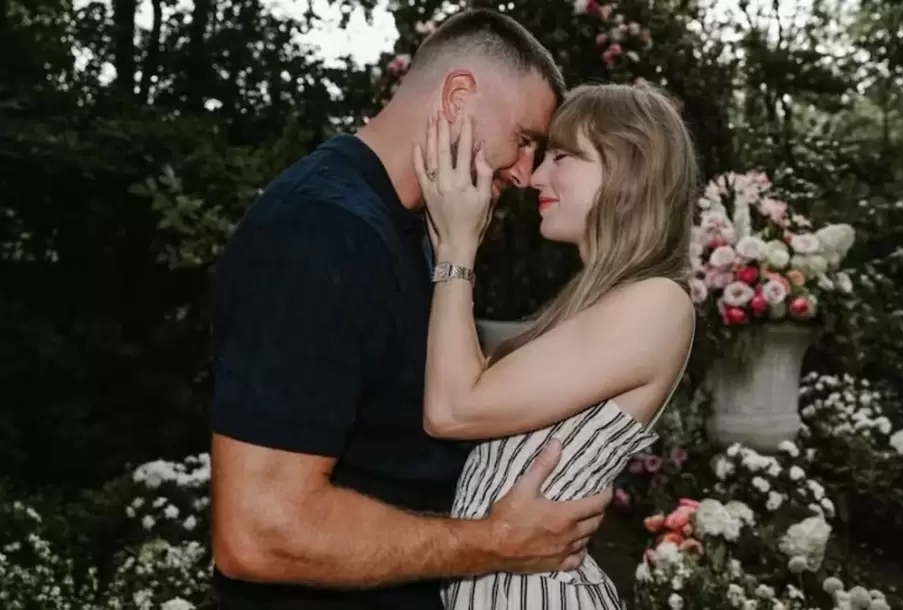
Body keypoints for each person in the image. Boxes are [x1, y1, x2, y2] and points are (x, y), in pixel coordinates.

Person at [207, 9, 612, 610]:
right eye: (525, 140)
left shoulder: (414, 232)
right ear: (457, 96)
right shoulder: (323, 229)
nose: (527, 174)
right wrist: (496, 543)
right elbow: (259, 532)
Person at [412, 82, 698, 609]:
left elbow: (451, 410)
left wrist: (456, 250)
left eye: (562, 157)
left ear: (628, 167)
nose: (537, 177)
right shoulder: (597, 304)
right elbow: (468, 386)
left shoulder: (657, 302)